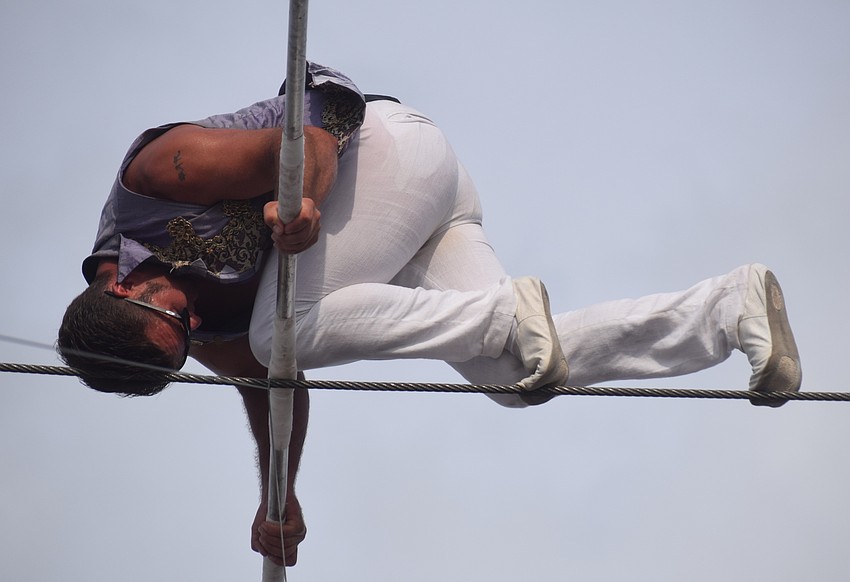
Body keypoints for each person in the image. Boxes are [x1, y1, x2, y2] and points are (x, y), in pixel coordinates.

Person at [58, 62, 802, 567]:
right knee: (517, 374)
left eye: (174, 320)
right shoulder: (182, 331)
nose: (192, 327)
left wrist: (307, 201)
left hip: (380, 153)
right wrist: (277, 494)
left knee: (281, 327)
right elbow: (270, 383)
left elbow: (312, 138)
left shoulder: (153, 183)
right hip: (419, 212)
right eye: (184, 345)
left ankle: (500, 314)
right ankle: (729, 312)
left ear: (120, 287)